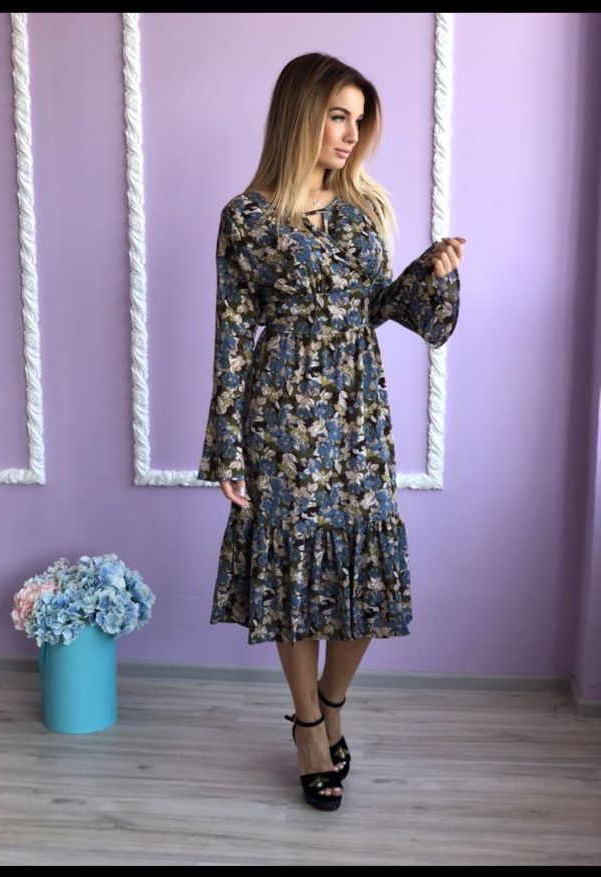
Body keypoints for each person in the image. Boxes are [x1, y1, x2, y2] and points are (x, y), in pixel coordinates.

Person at [197, 52, 466, 811]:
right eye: (337, 116)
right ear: (300, 116)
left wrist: (433, 274)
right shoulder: (247, 218)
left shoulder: (362, 207)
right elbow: (234, 333)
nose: (351, 133)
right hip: (280, 412)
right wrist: (228, 445)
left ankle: (332, 702)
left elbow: (383, 308)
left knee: (366, 567)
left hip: (356, 409)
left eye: (358, 119)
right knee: (293, 574)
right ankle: (309, 727)